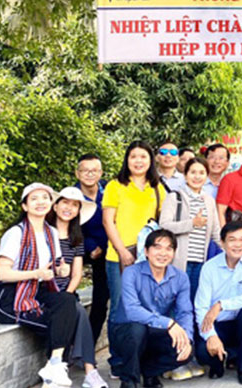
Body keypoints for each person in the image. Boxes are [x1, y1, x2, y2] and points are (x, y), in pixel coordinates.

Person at [0, 183, 76, 387]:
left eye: (45, 198)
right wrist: (36, 273)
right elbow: (1, 274)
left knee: (67, 301)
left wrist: (62, 270)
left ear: (51, 203)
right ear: (25, 206)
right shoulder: (16, 233)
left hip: (38, 291)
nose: (41, 202)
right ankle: (54, 371)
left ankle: (54, 365)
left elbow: (57, 265)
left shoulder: (51, 232)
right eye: (34, 198)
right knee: (61, 325)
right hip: (12, 298)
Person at [102, 141, 167, 375]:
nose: (138, 161)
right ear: (126, 160)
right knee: (120, 308)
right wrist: (122, 251)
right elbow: (108, 221)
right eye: (133, 157)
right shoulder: (115, 185)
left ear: (151, 160)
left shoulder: (157, 188)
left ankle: (140, 359)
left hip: (147, 259)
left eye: (143, 157)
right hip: (119, 256)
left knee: (147, 306)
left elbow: (161, 223)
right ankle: (118, 361)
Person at [110, 229, 194, 388]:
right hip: (126, 330)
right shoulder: (131, 273)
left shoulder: (180, 277)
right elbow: (132, 310)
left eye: (169, 248)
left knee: (185, 349)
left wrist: (187, 339)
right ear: (146, 251)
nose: (163, 253)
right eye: (157, 247)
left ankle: (149, 372)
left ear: (174, 253)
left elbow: (185, 312)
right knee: (137, 330)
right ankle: (129, 380)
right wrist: (169, 323)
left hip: (155, 330)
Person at [46, 187, 106, 388]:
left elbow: (77, 274)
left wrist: (68, 294)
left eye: (74, 205)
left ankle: (63, 368)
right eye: (65, 202)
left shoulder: (76, 237)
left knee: (74, 307)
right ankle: (89, 371)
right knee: (78, 311)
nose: (69, 208)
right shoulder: (44, 233)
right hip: (44, 293)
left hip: (66, 294)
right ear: (55, 206)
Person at [194, 220, 242, 385]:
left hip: (241, 323)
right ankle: (222, 360)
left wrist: (221, 305)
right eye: (232, 240)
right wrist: (211, 336)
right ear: (223, 243)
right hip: (219, 325)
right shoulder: (209, 267)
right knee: (203, 352)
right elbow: (201, 307)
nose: (238, 245)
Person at [158, 157, 222, 298]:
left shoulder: (209, 201)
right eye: (193, 172)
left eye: (201, 173)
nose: (197, 177)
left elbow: (216, 232)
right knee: (176, 300)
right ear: (185, 175)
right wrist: (192, 223)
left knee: (193, 300)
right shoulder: (175, 197)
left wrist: (229, 249)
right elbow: (164, 225)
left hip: (200, 261)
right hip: (178, 260)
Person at [75, 153, 109, 344]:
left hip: (105, 250)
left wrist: (102, 247)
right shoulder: (71, 195)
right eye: (85, 170)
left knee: (101, 300)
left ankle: (88, 345)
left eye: (94, 170)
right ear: (77, 173)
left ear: (100, 172)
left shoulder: (109, 191)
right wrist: (90, 246)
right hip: (78, 247)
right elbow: (67, 227)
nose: (90, 174)